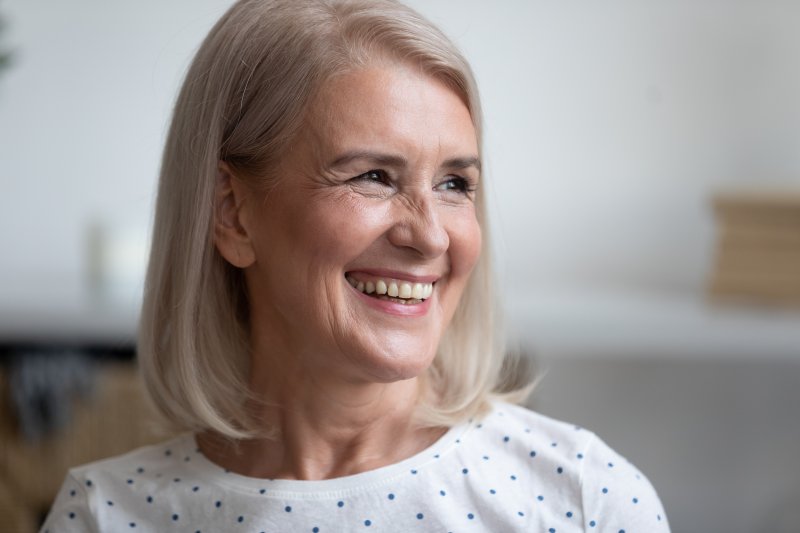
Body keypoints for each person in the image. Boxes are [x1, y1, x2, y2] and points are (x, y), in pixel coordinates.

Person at [42, 0, 669, 531]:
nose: (429, 236)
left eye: (454, 184)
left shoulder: (585, 500)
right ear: (231, 213)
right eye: (373, 176)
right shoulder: (104, 516)